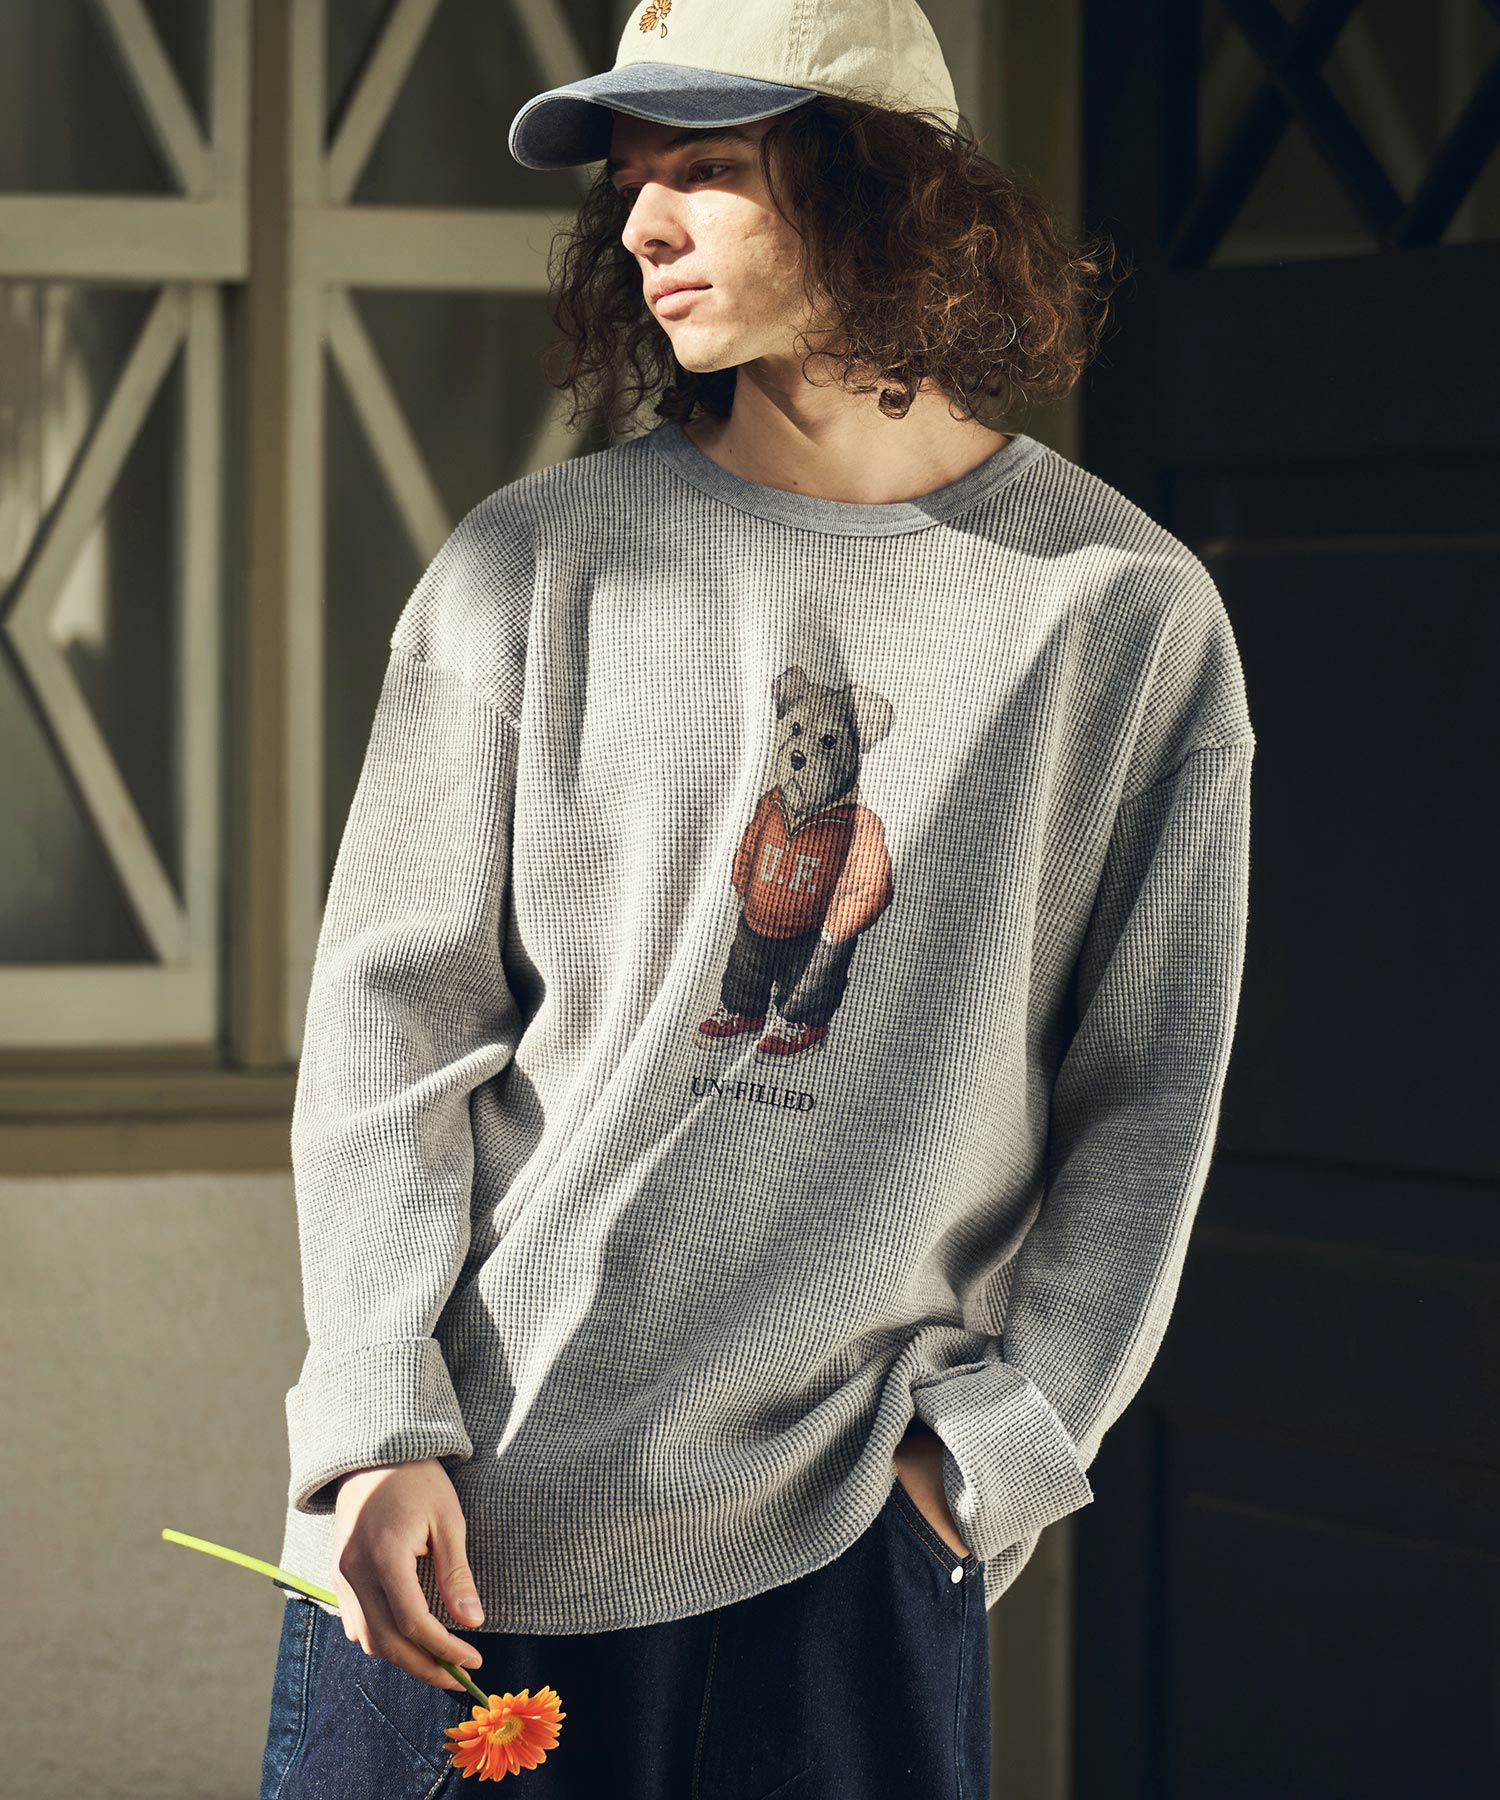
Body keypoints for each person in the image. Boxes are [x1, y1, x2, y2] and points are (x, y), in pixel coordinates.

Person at [259, 2, 1256, 1795]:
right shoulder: (530, 565)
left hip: (850, 1545)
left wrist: (999, 1451)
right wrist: (374, 1419)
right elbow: (392, 1026)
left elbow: (1150, 1090)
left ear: (892, 191)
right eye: (632, 182)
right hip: (470, 1519)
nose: (642, 223)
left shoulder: (1119, 613)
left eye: (708, 170)